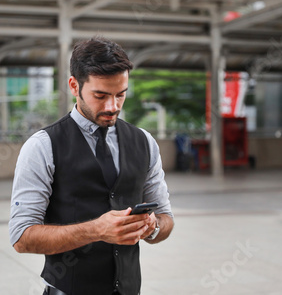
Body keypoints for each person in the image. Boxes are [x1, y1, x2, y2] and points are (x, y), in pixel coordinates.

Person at [9, 37, 174, 295]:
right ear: (74, 86)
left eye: (121, 95)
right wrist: (96, 230)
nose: (112, 106)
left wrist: (151, 227)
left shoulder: (145, 143)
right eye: (101, 95)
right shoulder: (42, 146)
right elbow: (21, 237)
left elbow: (166, 220)